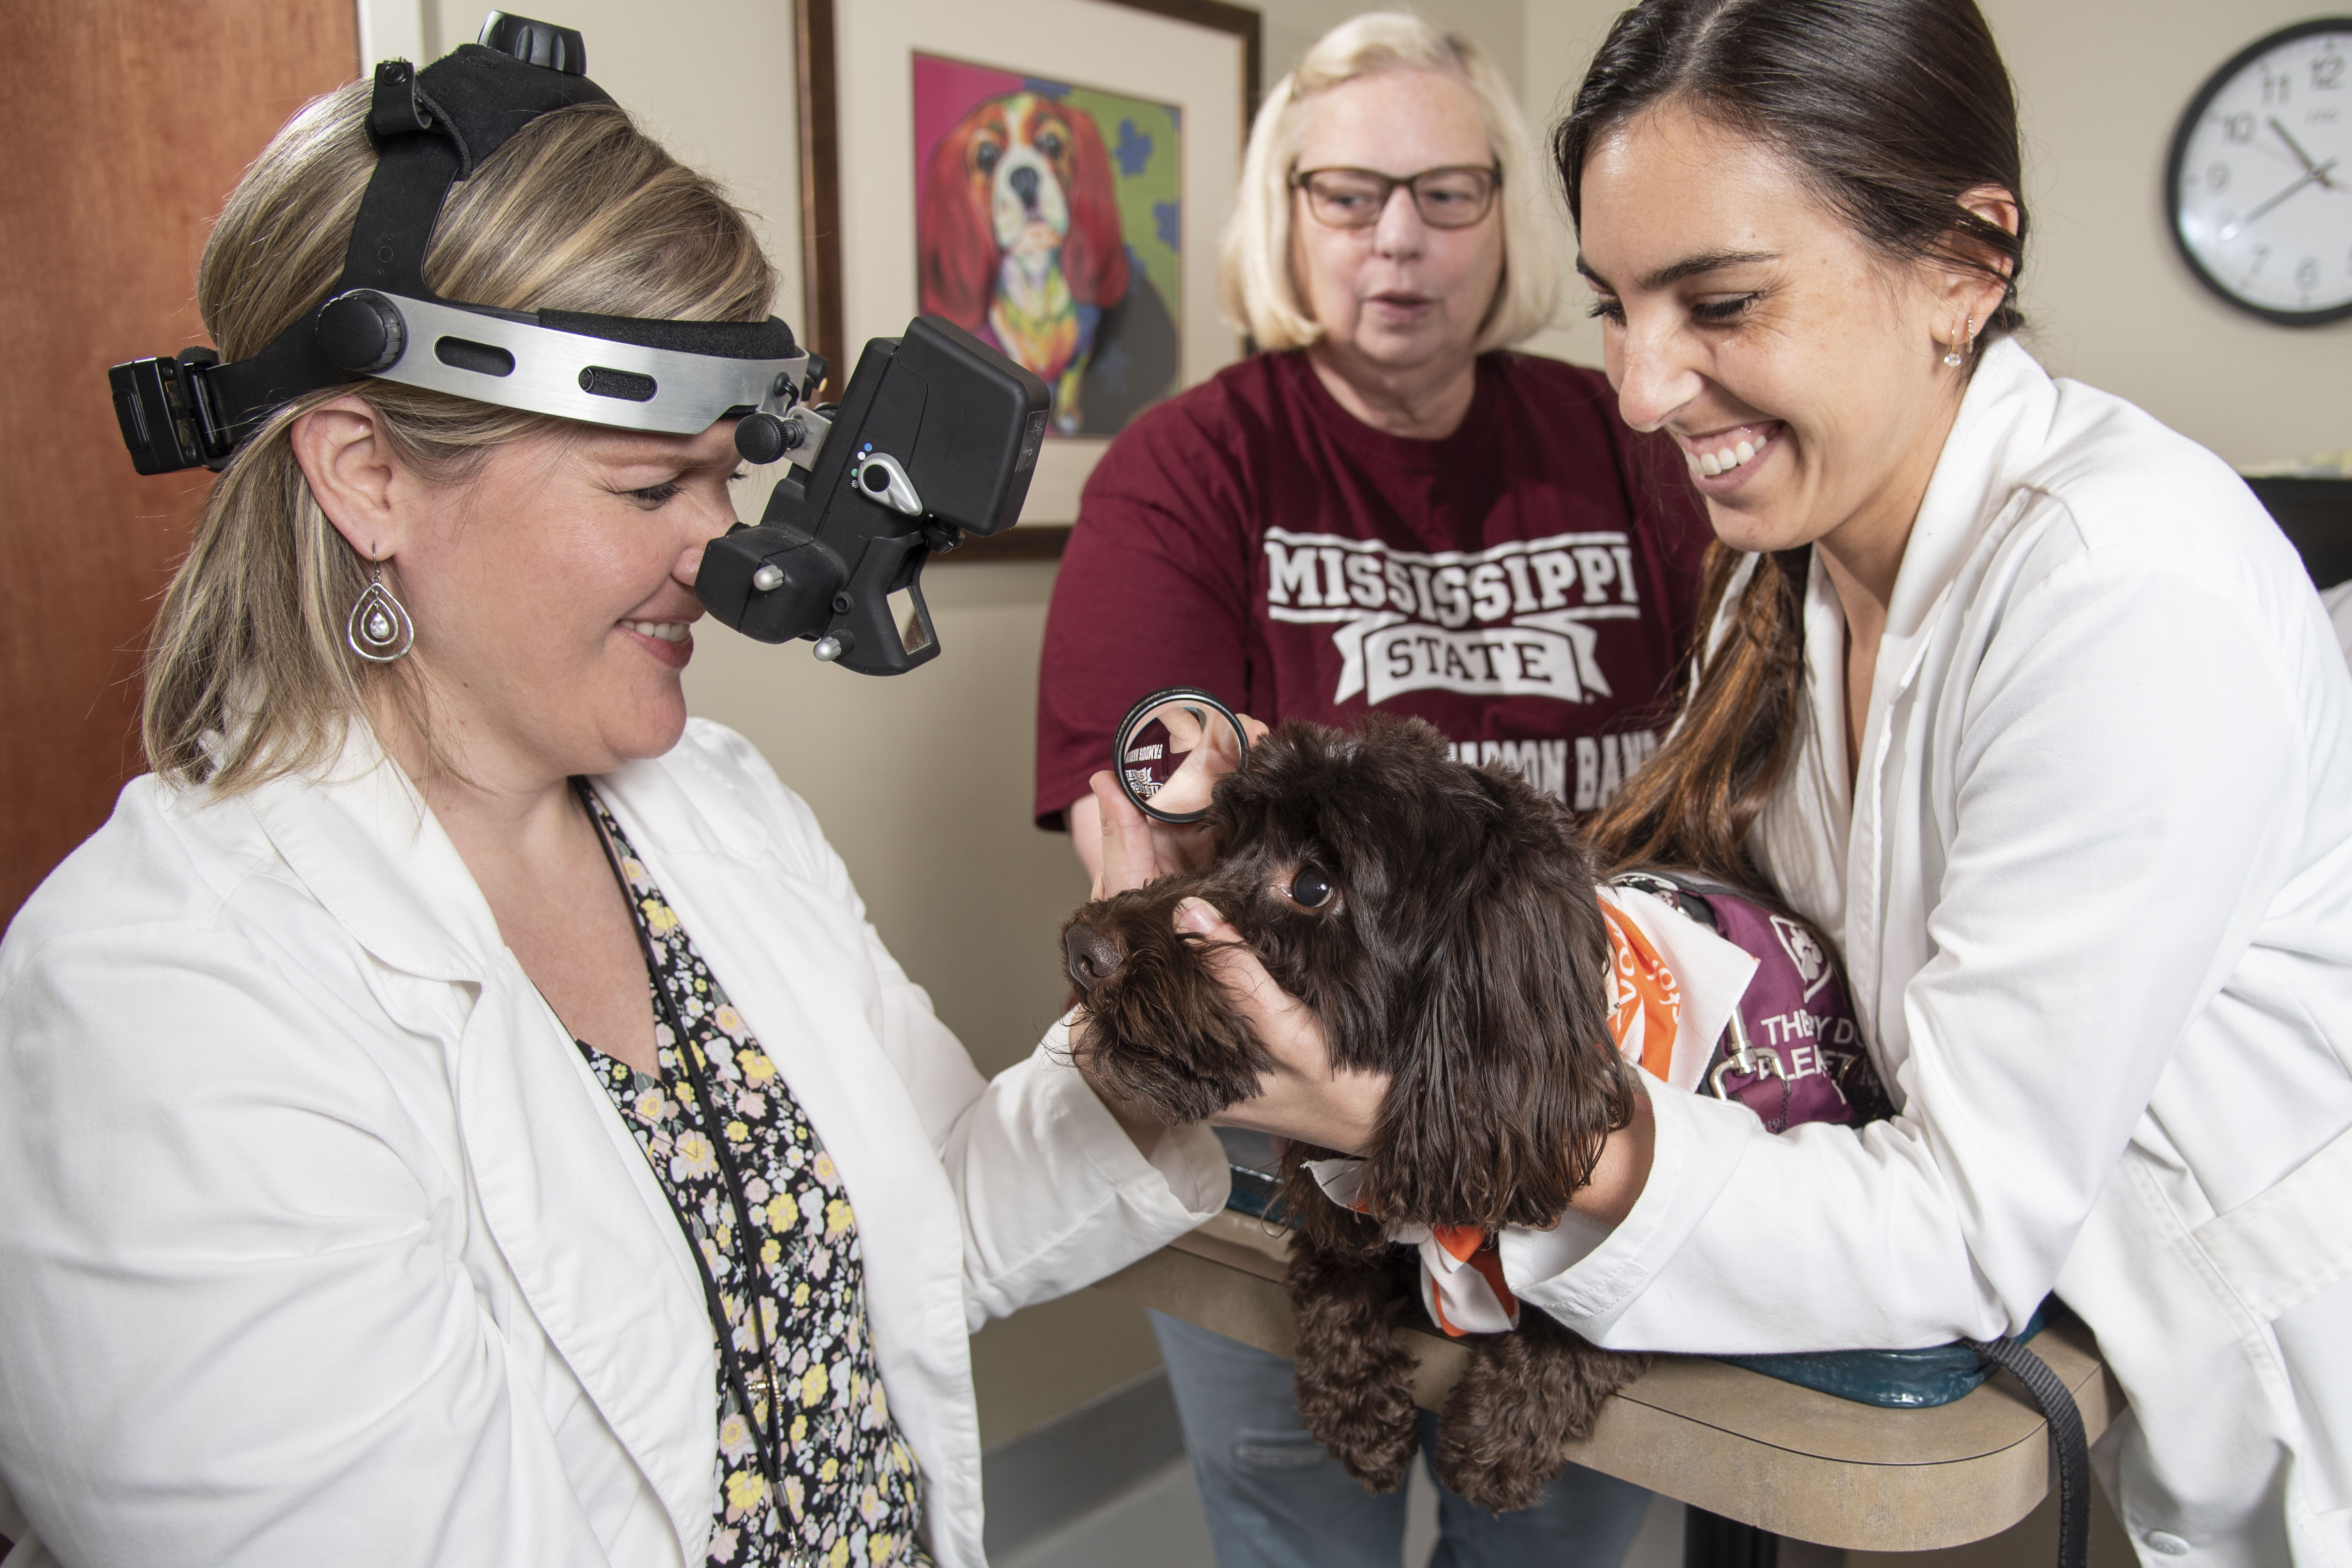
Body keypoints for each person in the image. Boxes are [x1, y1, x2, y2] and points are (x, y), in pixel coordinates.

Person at [1105, 0, 2352, 1562]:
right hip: (2036, 1357)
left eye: (1722, 301)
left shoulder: (2124, 588)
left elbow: (1958, 1220)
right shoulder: (1796, 573)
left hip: (2270, 1406)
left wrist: (1448, 1114)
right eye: (1617, 310)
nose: (1639, 388)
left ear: (1964, 264)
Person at [0, 58, 1228, 1568]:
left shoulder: (711, 807)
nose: (720, 555)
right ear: (367, 473)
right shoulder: (165, 1000)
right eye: (652, 487)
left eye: (722, 483)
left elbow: (922, 1223)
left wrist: (1172, 1024)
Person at [1035, 13, 1713, 1567]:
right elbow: (1144, 817)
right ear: (1283, 216)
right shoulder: (1187, 468)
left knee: (1544, 1528)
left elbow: (1738, 758)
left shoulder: (1629, 447)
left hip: (1579, 1097)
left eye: (1445, 194)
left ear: (1506, 217)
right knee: (1301, 1531)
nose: (1396, 240)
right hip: (1284, 1143)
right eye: (1345, 196)